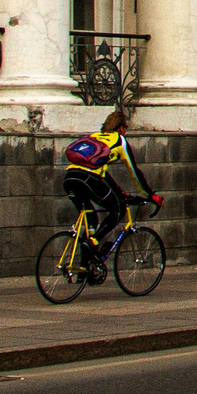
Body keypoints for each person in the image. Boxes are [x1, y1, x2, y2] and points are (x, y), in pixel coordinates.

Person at [62, 110, 159, 281]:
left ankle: (85, 270)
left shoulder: (95, 136)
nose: (126, 131)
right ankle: (93, 243)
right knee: (118, 209)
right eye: (126, 127)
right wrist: (150, 195)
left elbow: (103, 172)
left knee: (90, 219)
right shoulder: (119, 141)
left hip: (70, 179)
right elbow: (134, 171)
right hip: (88, 179)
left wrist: (119, 191)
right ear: (120, 128)